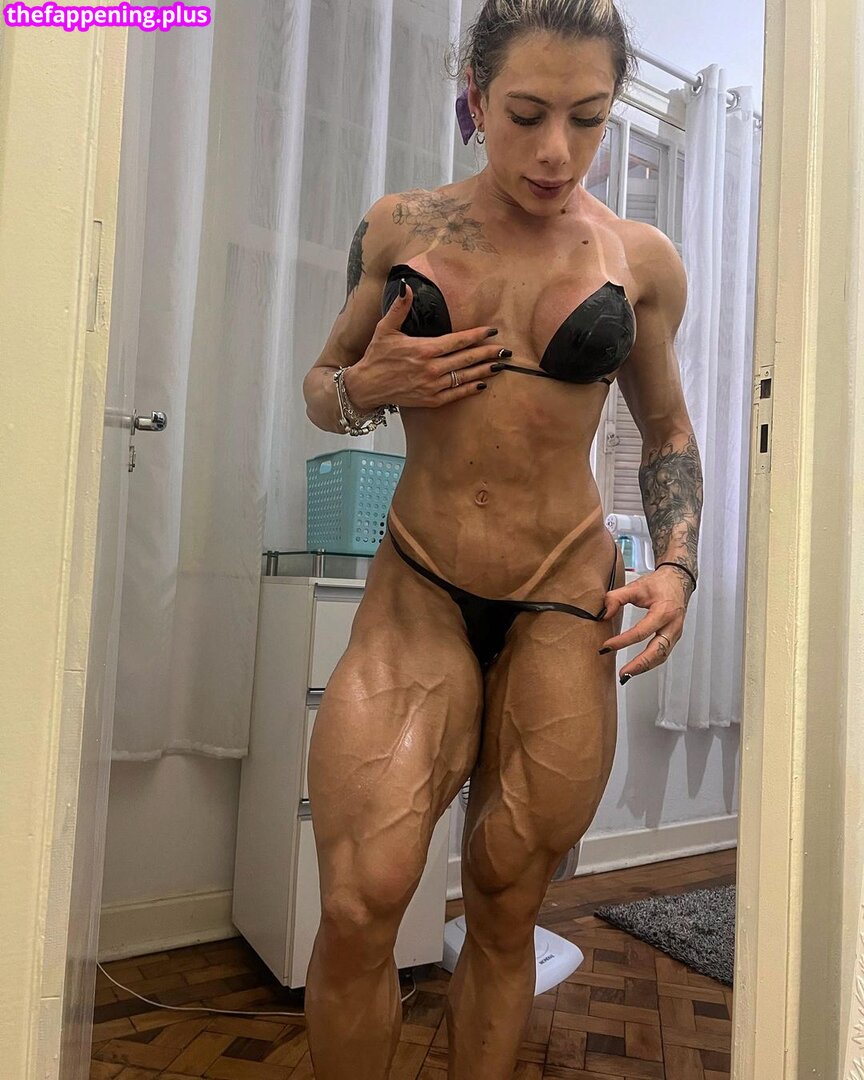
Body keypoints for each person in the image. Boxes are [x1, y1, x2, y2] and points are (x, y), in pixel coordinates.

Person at [301, 1, 703, 1076]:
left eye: (588, 117)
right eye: (527, 115)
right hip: (421, 586)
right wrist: (368, 385)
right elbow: (322, 386)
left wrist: (676, 565)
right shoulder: (401, 227)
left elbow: (668, 431)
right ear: (476, 98)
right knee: (358, 901)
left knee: (505, 899)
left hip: (563, 596)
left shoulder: (641, 260)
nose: (556, 151)